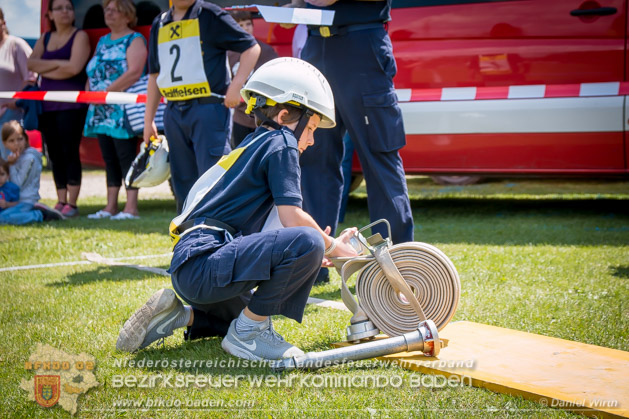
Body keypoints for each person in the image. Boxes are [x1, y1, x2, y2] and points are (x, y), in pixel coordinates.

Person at [116, 57, 359, 360]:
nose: (310, 141)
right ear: (284, 115)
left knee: (249, 306)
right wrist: (333, 247)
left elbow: (277, 232)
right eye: (310, 128)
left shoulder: (253, 144)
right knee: (307, 241)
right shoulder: (282, 142)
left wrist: (312, 252)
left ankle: (180, 315)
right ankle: (249, 336)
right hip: (207, 260)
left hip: (192, 266)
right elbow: (292, 218)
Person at [299, 0, 415, 283]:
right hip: (315, 45)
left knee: (379, 157)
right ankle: (314, 265)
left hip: (361, 46)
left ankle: (396, 266)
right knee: (312, 157)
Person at [142, 0, 261, 213]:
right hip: (174, 111)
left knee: (213, 179)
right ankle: (186, 237)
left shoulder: (209, 15)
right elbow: (155, 74)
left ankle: (216, 238)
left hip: (208, 109)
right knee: (182, 181)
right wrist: (148, 119)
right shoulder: (159, 23)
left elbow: (251, 47)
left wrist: (237, 85)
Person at [83, 0, 147, 220]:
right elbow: (93, 71)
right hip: (100, 111)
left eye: (114, 10)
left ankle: (131, 207)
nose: (108, 13)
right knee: (108, 159)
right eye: (106, 10)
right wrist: (90, 94)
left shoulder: (135, 40)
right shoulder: (102, 41)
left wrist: (106, 93)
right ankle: (110, 207)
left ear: (127, 16)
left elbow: (135, 72)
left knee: (126, 157)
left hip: (122, 111)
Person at [27, 0, 90, 218]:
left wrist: (48, 67)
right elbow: (31, 64)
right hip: (47, 105)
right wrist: (61, 66)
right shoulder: (45, 38)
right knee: (53, 153)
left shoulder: (79, 36)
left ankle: (72, 203)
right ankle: (60, 200)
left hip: (72, 104)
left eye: (69, 8)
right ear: (50, 15)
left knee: (69, 151)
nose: (65, 12)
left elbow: (75, 67)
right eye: (59, 8)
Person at [227, 10, 278, 148]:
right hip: (239, 117)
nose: (245, 28)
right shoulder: (228, 54)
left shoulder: (266, 51)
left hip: (264, 116)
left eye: (248, 24)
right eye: (240, 24)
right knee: (240, 156)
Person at [0, 121, 64, 224]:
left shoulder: (29, 158)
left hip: (26, 201)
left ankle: (39, 214)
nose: (16, 144)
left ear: (25, 139)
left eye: (19, 139)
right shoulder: (14, 156)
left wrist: (11, 165)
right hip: (13, 201)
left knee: (3, 218)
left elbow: (17, 184)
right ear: (5, 143)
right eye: (11, 141)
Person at [0, 7, 37, 159]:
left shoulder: (17, 45)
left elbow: (32, 76)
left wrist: (16, 102)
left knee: (11, 161)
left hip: (11, 114)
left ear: (3, 22)